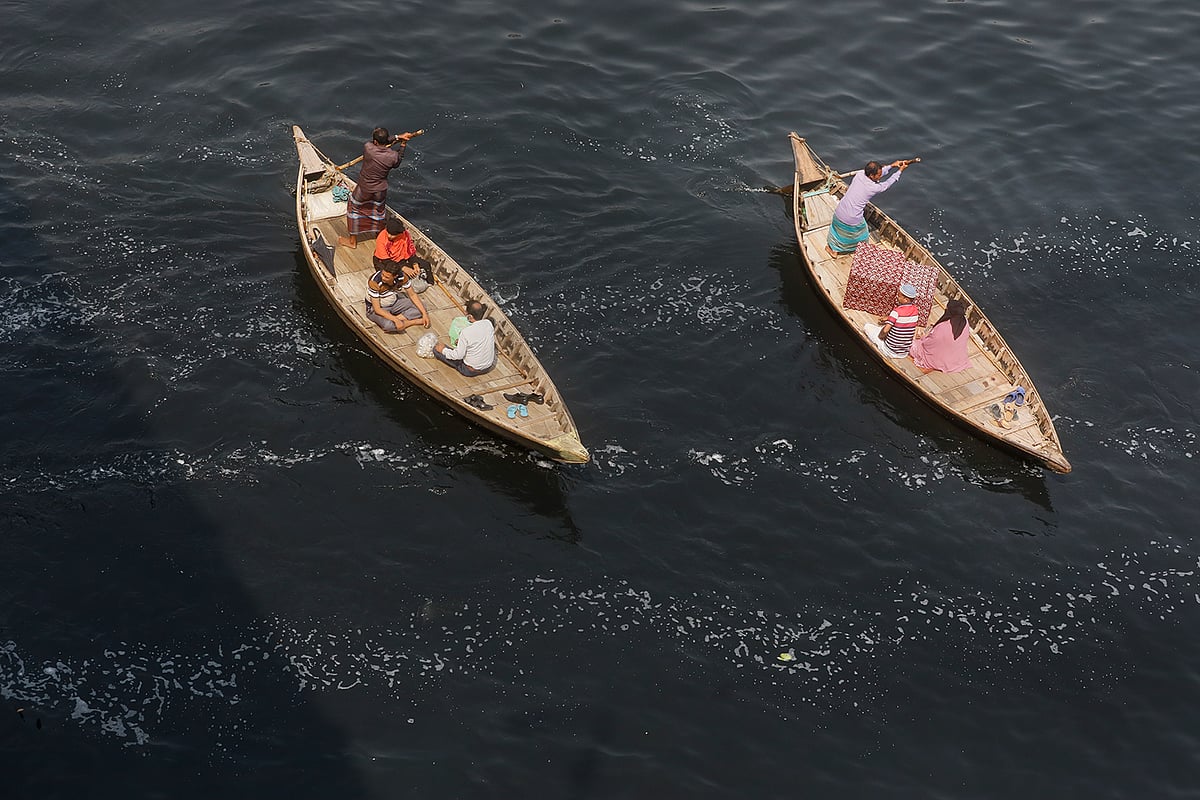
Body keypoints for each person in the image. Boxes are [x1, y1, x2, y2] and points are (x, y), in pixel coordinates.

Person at [339, 126, 420, 248]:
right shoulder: (393, 156)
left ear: (375, 142)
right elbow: (398, 162)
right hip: (380, 190)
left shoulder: (368, 148)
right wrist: (402, 143)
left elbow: (382, 141)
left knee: (354, 209)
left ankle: (352, 242)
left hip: (364, 188)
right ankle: (380, 236)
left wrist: (397, 136)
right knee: (379, 211)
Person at [826, 159, 916, 257]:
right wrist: (899, 171)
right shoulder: (873, 188)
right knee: (863, 234)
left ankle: (833, 248)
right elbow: (887, 183)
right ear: (871, 176)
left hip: (838, 213)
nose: (880, 176)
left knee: (837, 231)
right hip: (851, 219)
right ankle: (857, 250)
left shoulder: (860, 174)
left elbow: (880, 173)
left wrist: (892, 166)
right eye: (878, 175)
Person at [433, 300, 496, 377]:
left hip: (470, 370)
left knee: (437, 350)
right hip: (487, 367)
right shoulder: (488, 324)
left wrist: (443, 350)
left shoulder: (465, 332)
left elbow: (457, 356)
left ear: (470, 316)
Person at [364, 262, 430, 333]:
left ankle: (397, 321)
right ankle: (413, 321)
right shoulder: (374, 282)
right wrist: (396, 320)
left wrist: (424, 314)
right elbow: (377, 309)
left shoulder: (402, 277)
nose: (383, 278)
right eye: (382, 274)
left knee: (422, 307)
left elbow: (412, 294)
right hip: (376, 308)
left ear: (395, 276)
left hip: (394, 302)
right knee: (388, 325)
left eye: (387, 277)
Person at [909, 298, 971, 374]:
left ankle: (928, 364)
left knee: (912, 344)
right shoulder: (965, 322)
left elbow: (928, 344)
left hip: (937, 358)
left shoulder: (943, 327)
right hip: (955, 359)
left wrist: (922, 337)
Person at [863, 283, 920, 358]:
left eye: (899, 296)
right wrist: (889, 318)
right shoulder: (915, 311)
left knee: (867, 327)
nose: (897, 297)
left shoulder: (896, 312)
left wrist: (880, 337)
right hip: (903, 353)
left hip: (889, 350)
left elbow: (885, 331)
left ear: (906, 299)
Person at [373, 217, 428, 291]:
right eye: (388, 233)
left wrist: (415, 264)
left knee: (424, 264)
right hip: (383, 261)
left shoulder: (405, 235)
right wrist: (403, 268)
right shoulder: (381, 237)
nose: (389, 236)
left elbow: (410, 251)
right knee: (387, 276)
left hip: (400, 260)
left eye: (393, 235)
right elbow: (385, 259)